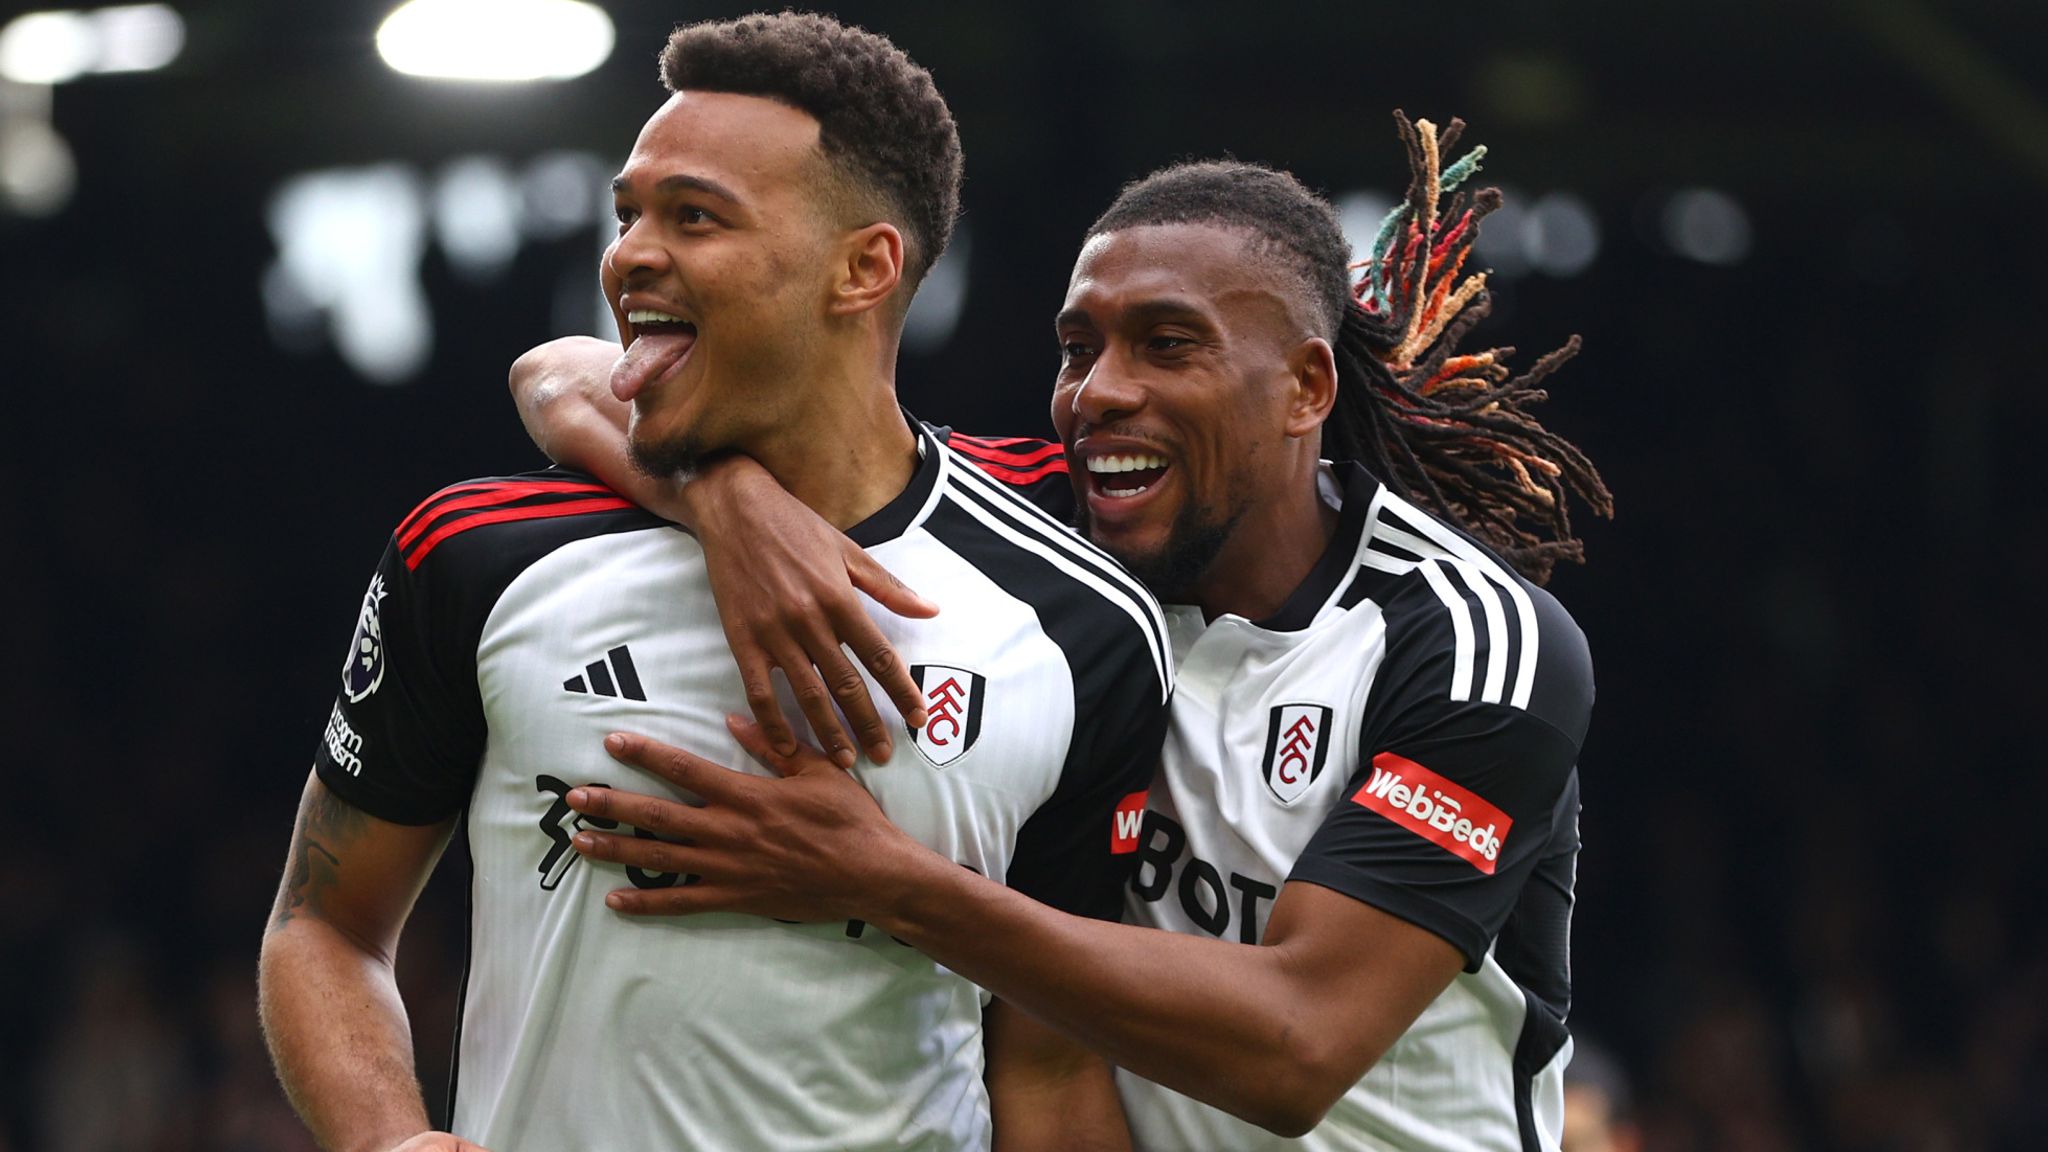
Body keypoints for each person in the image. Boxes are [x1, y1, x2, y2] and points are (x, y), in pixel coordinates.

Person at [512, 115, 1614, 1151]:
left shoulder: (1470, 641)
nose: (1098, 393)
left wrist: (885, 881)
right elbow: (559, 374)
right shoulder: (1038, 532)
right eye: (1076, 348)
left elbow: (1297, 1043)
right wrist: (720, 496)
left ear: (1303, 386)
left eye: (1165, 345)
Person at [257, 14, 1170, 1152]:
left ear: (864, 268)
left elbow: (1048, 1065)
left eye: (693, 216)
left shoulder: (1078, 625)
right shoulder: (480, 555)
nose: (630, 255)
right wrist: (382, 1138)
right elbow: (323, 925)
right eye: (627, 212)